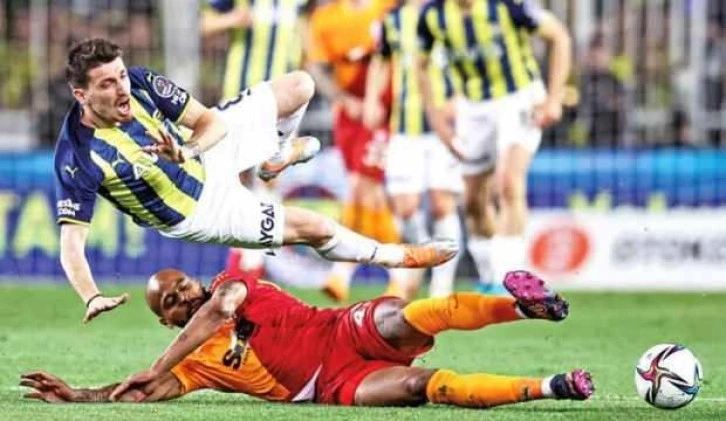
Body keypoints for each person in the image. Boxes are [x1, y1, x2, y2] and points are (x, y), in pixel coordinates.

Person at [55, 38, 458, 323]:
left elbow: (209, 122)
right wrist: (91, 296)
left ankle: (274, 157)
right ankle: (398, 257)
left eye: (121, 76)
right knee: (314, 228)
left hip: (206, 153)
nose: (122, 89)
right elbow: (72, 243)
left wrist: (188, 151)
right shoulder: (76, 156)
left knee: (300, 85)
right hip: (202, 213)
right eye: (107, 84)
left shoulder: (142, 83)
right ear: (81, 95)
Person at [21, 268, 594, 407]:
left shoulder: (231, 285)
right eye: (169, 302)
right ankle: (552, 386)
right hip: (333, 384)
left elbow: (220, 309)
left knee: (402, 315)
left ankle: (526, 308)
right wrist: (81, 395)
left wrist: (158, 361)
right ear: (167, 321)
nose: (181, 296)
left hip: (338, 329)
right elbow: (144, 390)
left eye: (181, 285)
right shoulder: (195, 367)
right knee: (420, 387)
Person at [416, 0, 571, 292]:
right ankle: (489, 279)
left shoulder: (508, 5)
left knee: (508, 183)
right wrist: (437, 121)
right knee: (473, 201)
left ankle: (509, 280)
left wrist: (554, 98)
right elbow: (420, 66)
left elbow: (559, 36)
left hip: (519, 99)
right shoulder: (433, 15)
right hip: (472, 109)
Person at [200, 0, 313, 279]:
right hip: (241, 98)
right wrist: (231, 20)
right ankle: (244, 261)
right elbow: (203, 24)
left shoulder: (299, 4)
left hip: (283, 103)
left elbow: (306, 42)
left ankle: (250, 265)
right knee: (236, 179)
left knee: (268, 176)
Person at [363, 0, 464, 298]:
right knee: (405, 207)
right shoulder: (392, 19)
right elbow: (381, 60)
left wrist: (460, 98)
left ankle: (441, 287)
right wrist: (372, 99)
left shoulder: (449, 12)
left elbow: (467, 59)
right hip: (405, 127)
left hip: (444, 128)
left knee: (442, 204)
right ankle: (421, 263)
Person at [307, 0, 407, 302]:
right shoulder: (325, 18)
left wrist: (376, 100)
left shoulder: (388, 8)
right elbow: (316, 66)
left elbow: (390, 55)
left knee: (367, 188)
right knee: (360, 190)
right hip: (349, 114)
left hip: (382, 110)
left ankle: (384, 274)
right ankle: (389, 273)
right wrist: (342, 99)